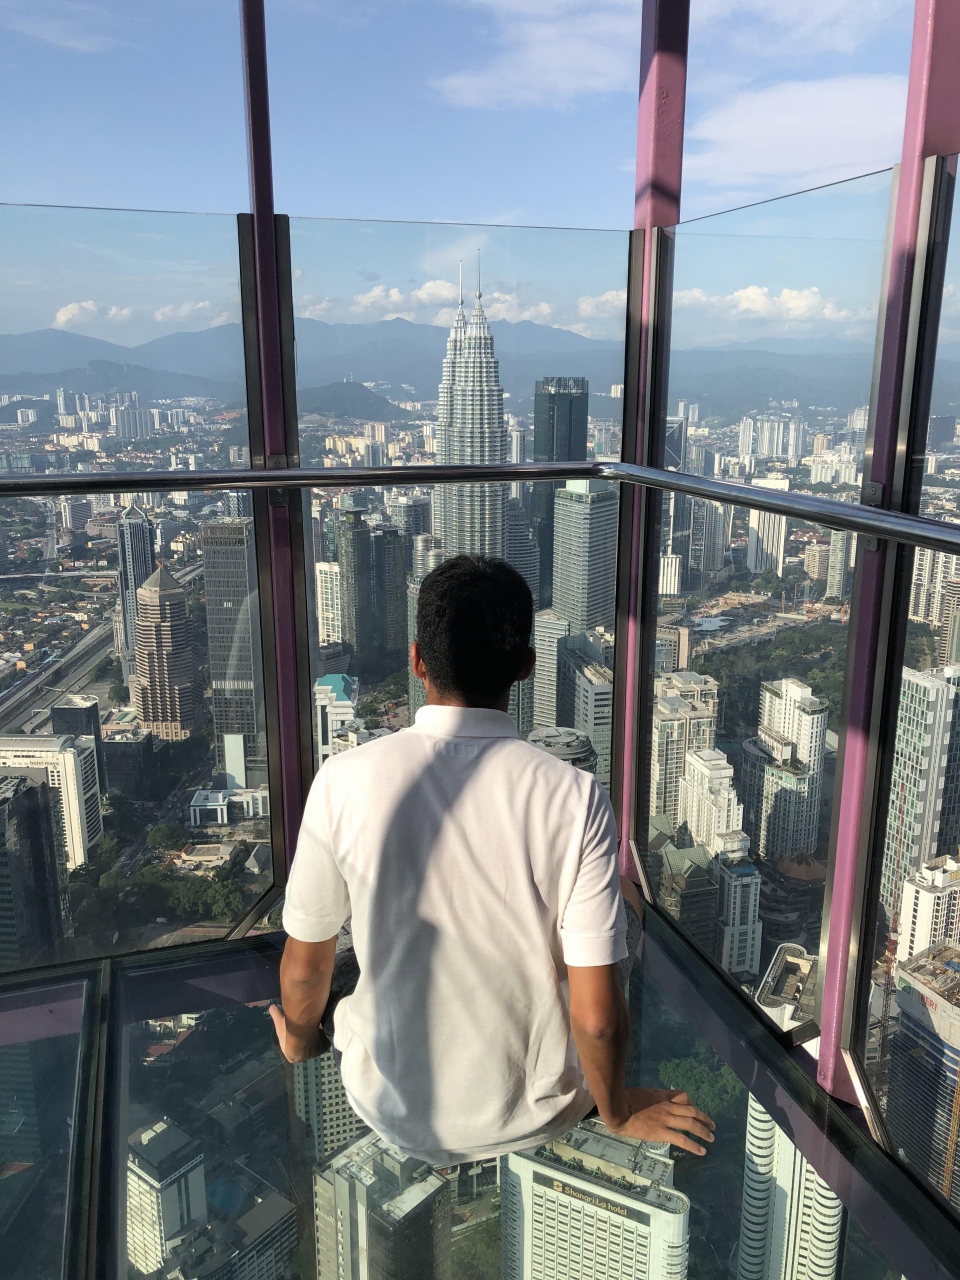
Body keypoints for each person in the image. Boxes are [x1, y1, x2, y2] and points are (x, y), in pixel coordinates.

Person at [271, 554, 714, 1166]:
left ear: (417, 659)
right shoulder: (575, 795)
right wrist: (617, 1111)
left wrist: (300, 1043)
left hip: (389, 1106)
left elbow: (304, 971)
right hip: (542, 1110)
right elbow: (598, 1019)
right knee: (625, 905)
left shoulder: (342, 780)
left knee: (350, 918)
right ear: (526, 665)